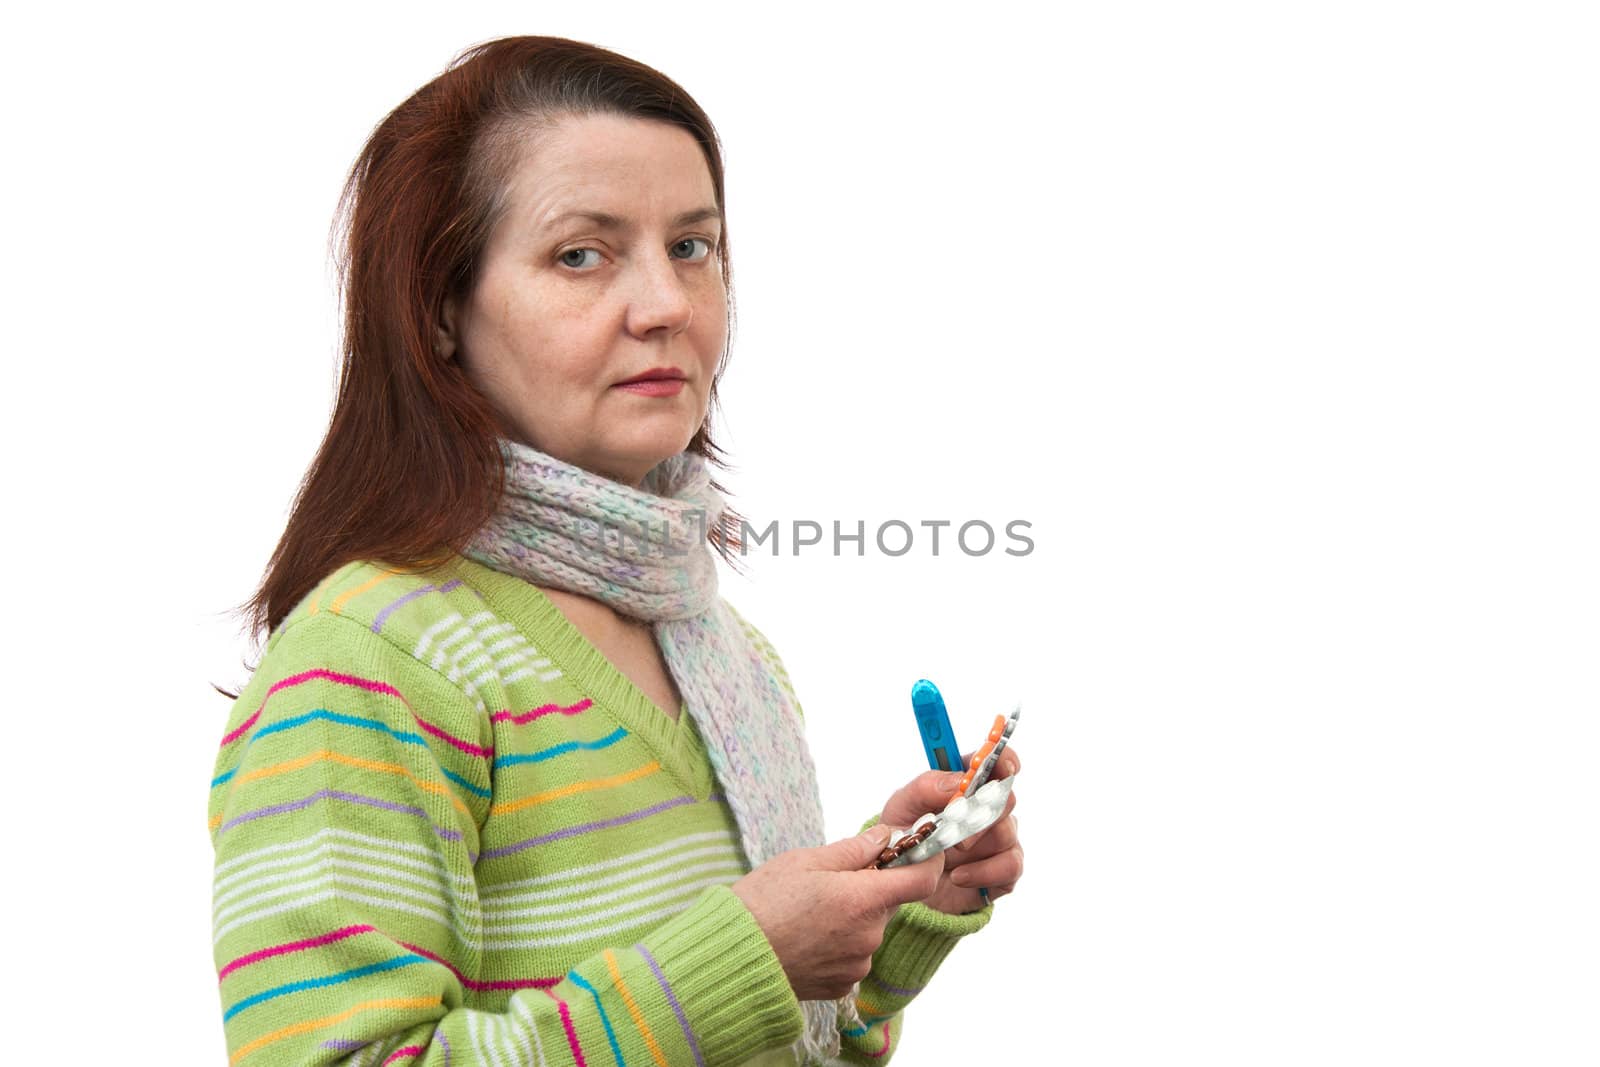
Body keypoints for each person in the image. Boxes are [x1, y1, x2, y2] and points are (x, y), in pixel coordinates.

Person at [207, 35, 1024, 1067]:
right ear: (439, 310)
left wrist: (896, 907)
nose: (666, 306)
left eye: (692, 246)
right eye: (581, 254)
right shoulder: (372, 659)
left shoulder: (728, 653)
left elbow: (778, 1041)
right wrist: (743, 955)